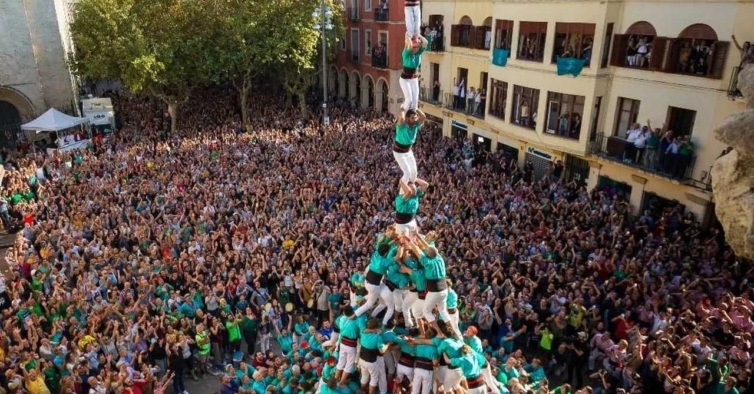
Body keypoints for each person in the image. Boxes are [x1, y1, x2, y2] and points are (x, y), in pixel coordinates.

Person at [393, 108, 426, 195]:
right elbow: (402, 119)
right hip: (399, 152)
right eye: (412, 118)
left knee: (414, 171)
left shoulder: (416, 125)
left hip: (408, 151)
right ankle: (402, 191)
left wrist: (416, 108)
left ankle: (410, 186)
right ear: (407, 118)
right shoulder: (401, 126)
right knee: (407, 172)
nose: (415, 120)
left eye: (415, 118)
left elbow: (423, 117)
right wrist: (403, 110)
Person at [400, 35, 429, 112]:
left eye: (417, 47)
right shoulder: (406, 53)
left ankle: (413, 117)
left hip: (414, 78)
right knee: (409, 100)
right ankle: (402, 113)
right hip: (405, 79)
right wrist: (408, 36)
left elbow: (426, 42)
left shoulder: (418, 53)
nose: (416, 49)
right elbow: (408, 44)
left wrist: (418, 35)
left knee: (415, 102)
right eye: (414, 47)